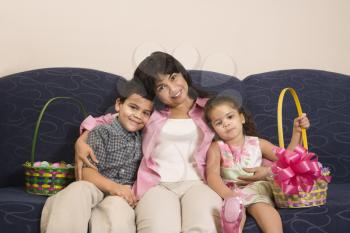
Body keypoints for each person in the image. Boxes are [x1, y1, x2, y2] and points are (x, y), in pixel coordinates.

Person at [75, 51, 224, 232]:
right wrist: (81, 141)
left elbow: (242, 138)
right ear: (154, 93)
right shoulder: (150, 113)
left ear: (182, 74)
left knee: (203, 226)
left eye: (173, 77)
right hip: (156, 186)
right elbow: (106, 120)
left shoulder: (211, 108)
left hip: (200, 183)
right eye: (161, 87)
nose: (172, 88)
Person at [40, 80, 153, 233]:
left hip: (124, 193)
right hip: (95, 184)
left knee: (117, 210)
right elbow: (86, 171)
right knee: (77, 190)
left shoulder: (146, 137)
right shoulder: (101, 132)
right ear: (119, 105)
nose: (138, 116)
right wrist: (114, 187)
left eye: (146, 113)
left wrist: (121, 191)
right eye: (133, 107)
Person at [204, 95, 310, 233]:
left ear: (241, 118)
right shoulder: (216, 147)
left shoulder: (258, 143)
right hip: (231, 192)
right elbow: (212, 175)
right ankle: (232, 226)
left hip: (256, 190)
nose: (226, 123)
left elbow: (287, 158)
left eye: (230, 117)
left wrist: (297, 132)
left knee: (264, 209)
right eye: (218, 123)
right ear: (213, 128)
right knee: (235, 212)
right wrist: (228, 194)